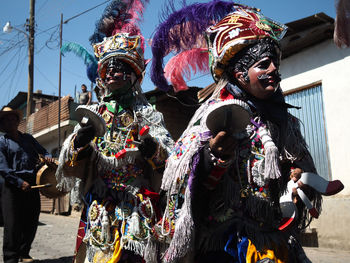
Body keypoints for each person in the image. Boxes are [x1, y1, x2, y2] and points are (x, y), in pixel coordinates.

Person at [149, 2, 343, 262]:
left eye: (275, 62)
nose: (274, 69)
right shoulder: (211, 115)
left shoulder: (285, 121)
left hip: (278, 241)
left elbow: (298, 167)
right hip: (227, 247)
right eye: (264, 64)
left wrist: (295, 179)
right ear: (239, 73)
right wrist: (211, 157)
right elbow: (180, 184)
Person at [55, 1, 174, 262]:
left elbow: (169, 162)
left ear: (134, 74)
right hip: (100, 204)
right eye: (107, 68)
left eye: (119, 67)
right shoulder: (94, 112)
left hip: (137, 203)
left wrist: (152, 150)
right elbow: (69, 160)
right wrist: (80, 144)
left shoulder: (149, 114)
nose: (112, 73)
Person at [0, 106, 53, 263]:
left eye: (13, 118)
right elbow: (2, 168)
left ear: (17, 121)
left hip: (31, 184)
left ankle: (24, 253)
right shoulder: (1, 143)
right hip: (11, 185)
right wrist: (19, 182)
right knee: (12, 223)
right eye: (6, 119)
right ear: (2, 124)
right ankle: (10, 258)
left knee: (31, 219)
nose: (10, 121)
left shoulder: (28, 139)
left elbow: (44, 152)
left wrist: (48, 158)